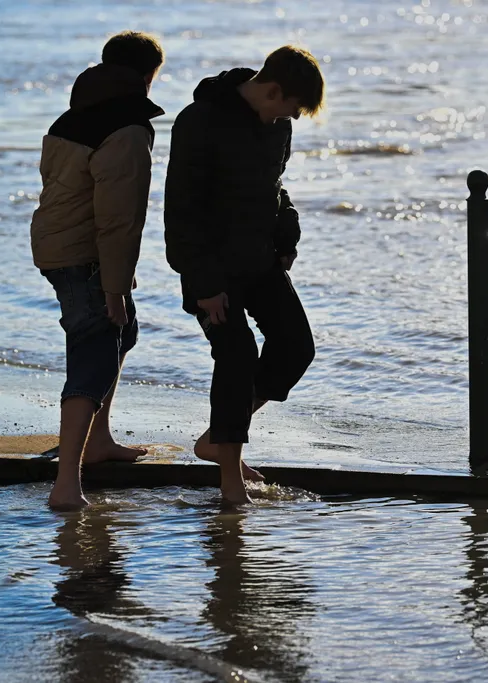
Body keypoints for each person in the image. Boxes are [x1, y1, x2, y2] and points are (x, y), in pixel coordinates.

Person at [164, 46, 324, 505]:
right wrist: (205, 285)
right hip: (211, 270)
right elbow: (182, 211)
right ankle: (231, 481)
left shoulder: (279, 126)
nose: (287, 118)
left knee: (296, 347)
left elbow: (276, 188)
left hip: (260, 261)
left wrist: (287, 237)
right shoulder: (199, 121)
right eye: (288, 108)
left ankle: (218, 437)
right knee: (235, 358)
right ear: (271, 89)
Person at [31, 31, 165, 510]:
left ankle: (99, 440)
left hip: (57, 243)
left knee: (122, 333)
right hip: (83, 253)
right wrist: (112, 286)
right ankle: (67, 483)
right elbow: (118, 218)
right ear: (149, 75)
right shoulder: (126, 127)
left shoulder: (75, 113)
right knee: (96, 350)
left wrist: (116, 288)